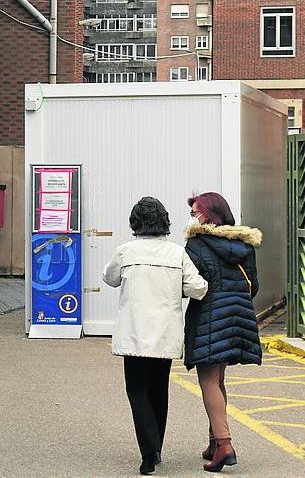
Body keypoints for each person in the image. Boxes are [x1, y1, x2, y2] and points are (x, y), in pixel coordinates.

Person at [103, 197, 208, 476]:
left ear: (133, 223)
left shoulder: (125, 252)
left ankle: (148, 454)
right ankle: (156, 447)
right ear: (165, 222)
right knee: (159, 391)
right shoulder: (177, 254)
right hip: (164, 334)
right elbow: (198, 288)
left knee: (137, 391)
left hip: (134, 334)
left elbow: (109, 278)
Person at [184, 192, 262, 473]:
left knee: (208, 381)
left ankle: (225, 444)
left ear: (210, 214)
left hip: (208, 318)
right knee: (218, 380)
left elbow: (191, 284)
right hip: (238, 316)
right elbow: (255, 286)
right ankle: (214, 440)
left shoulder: (196, 244)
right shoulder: (244, 244)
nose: (193, 217)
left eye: (196, 212)